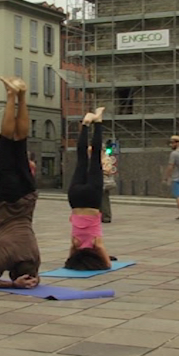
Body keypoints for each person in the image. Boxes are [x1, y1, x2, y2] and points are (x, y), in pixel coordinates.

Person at [0, 77, 41, 289]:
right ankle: (10, 95)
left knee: (21, 141)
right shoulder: (5, 257)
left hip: (28, 197)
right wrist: (13, 285)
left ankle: (22, 95)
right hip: (7, 198)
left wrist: (34, 278)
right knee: (7, 141)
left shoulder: (35, 258)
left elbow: (36, 275)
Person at [64, 109, 112, 270]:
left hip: (92, 199)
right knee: (81, 159)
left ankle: (98, 122)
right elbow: (71, 253)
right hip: (75, 199)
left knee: (95, 157)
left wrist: (106, 263)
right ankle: (85, 124)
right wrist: (69, 262)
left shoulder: (95, 243)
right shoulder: (76, 243)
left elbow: (104, 254)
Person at [100, 155, 115, 224]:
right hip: (98, 181)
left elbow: (108, 170)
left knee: (104, 199)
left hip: (104, 182)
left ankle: (106, 216)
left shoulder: (105, 159)